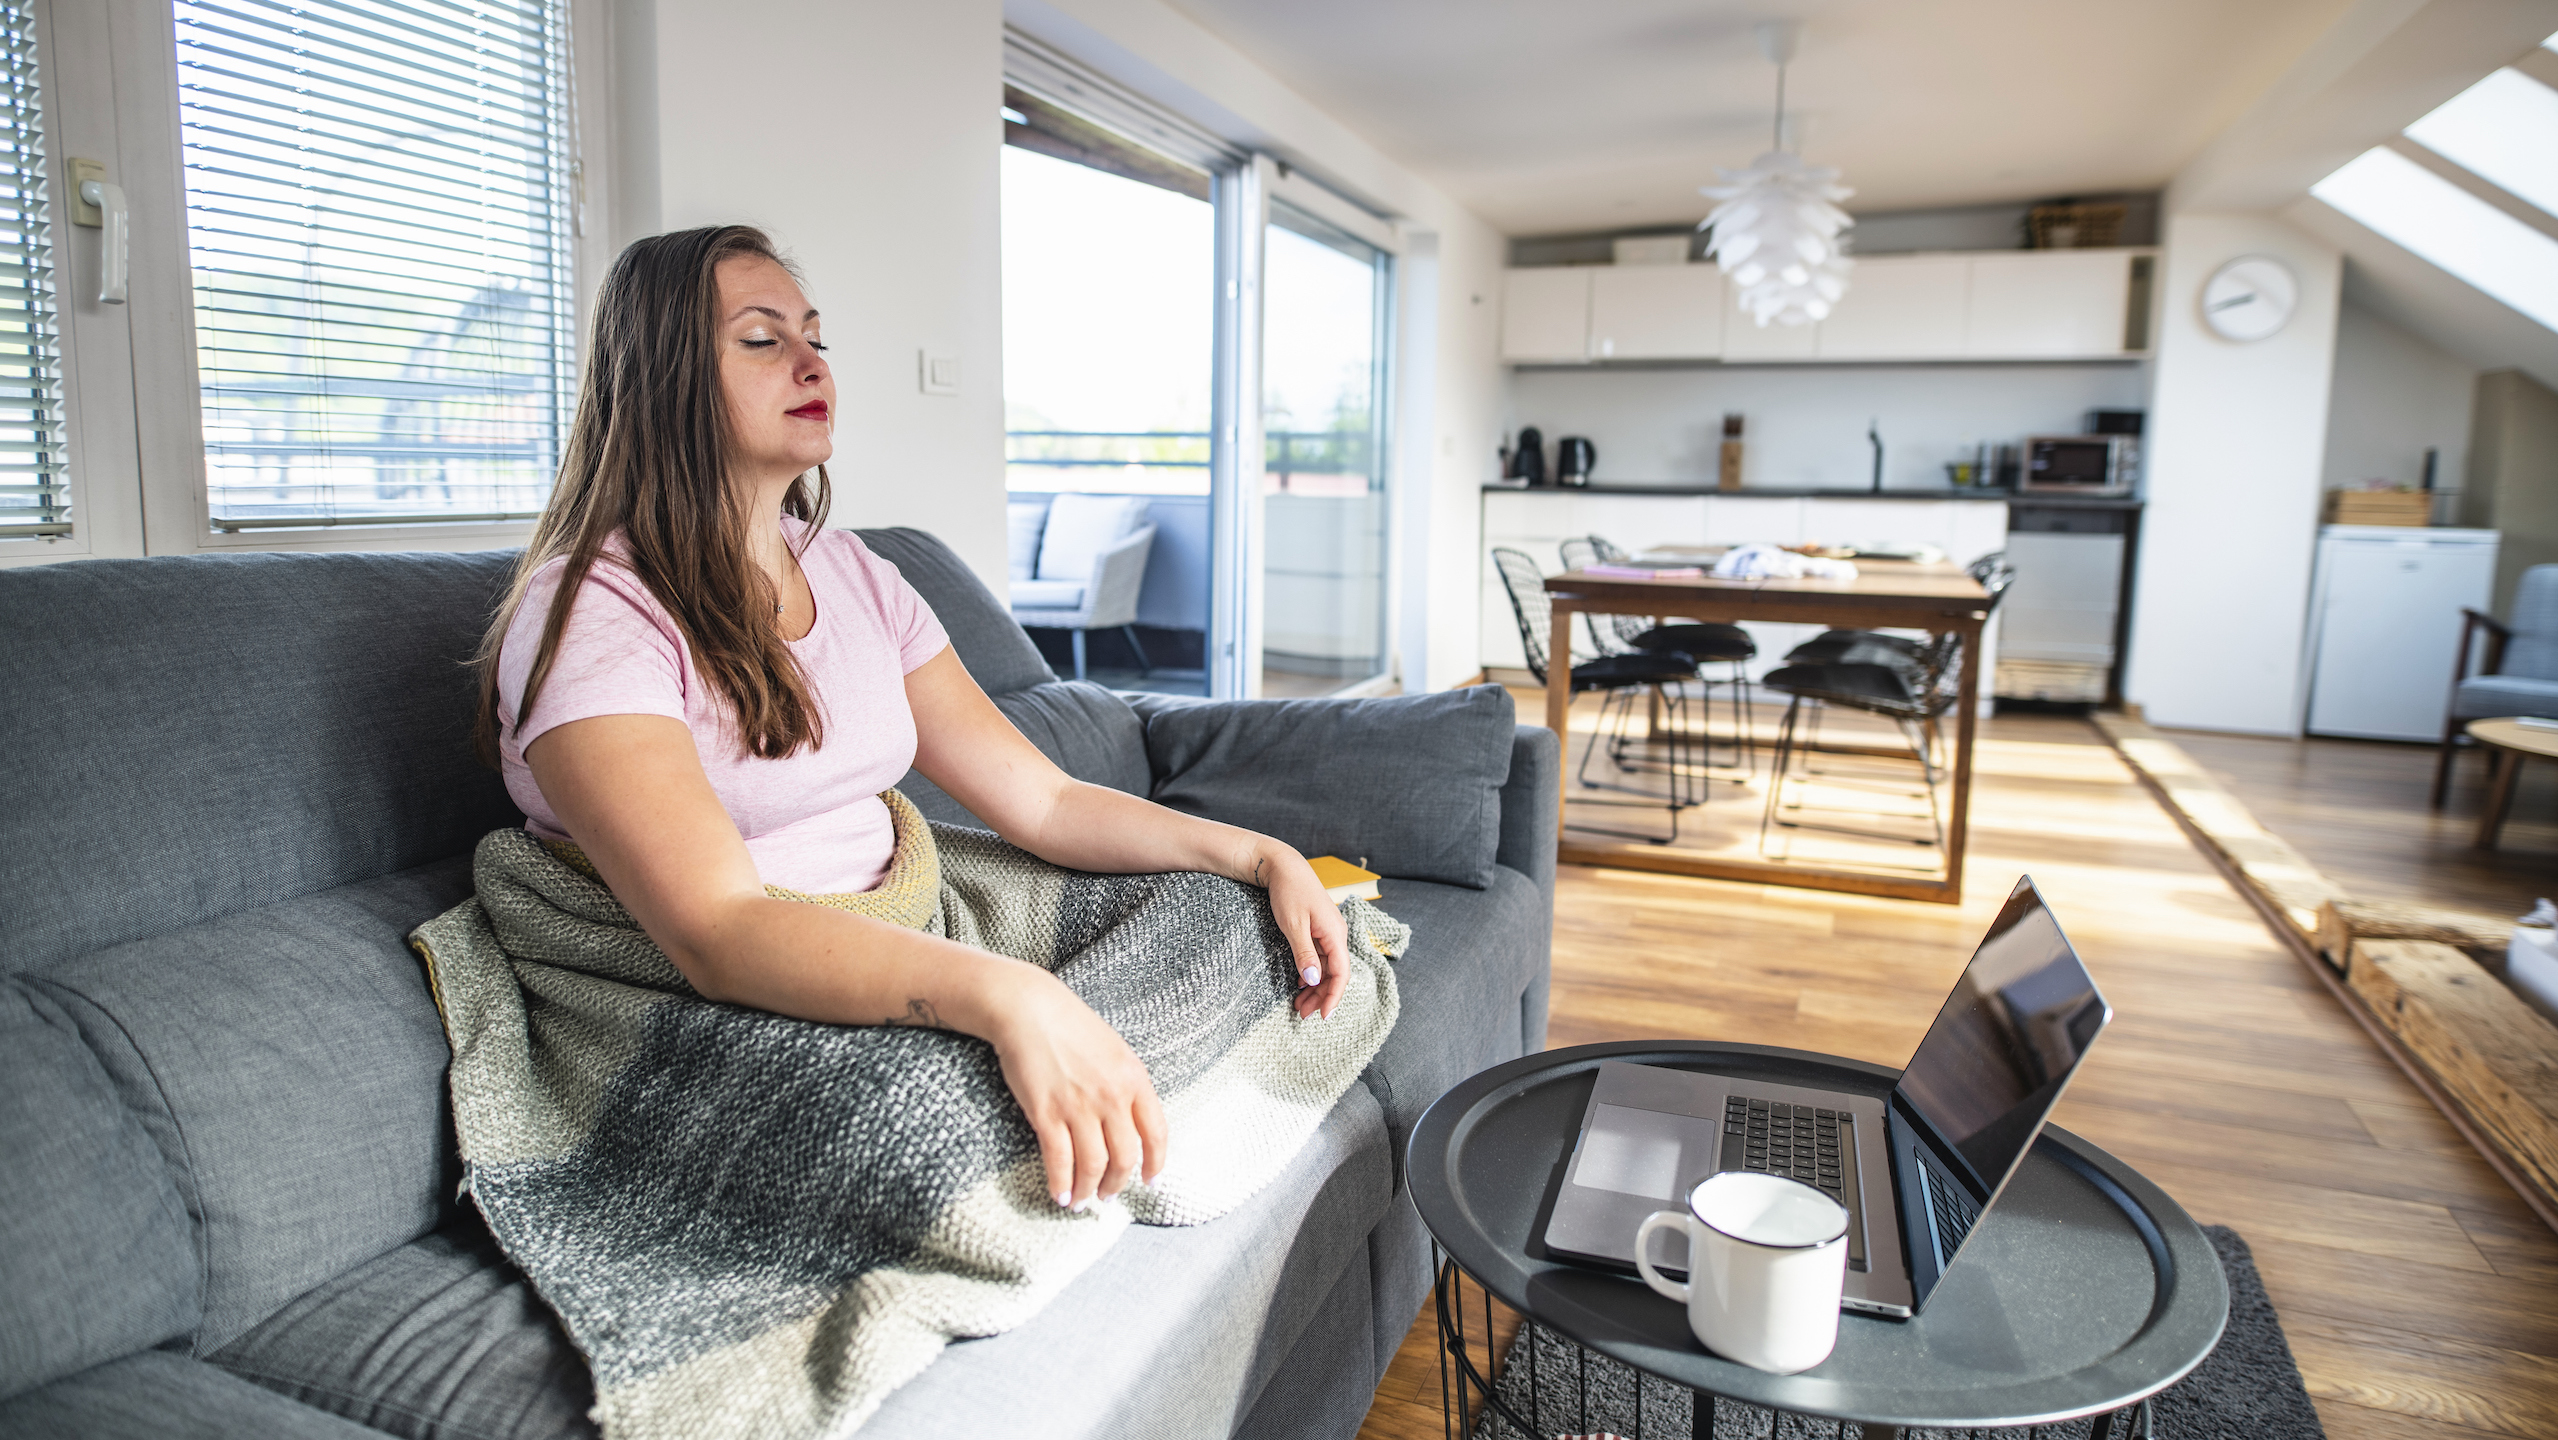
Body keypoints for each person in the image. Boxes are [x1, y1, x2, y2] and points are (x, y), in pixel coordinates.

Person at [472, 225, 1347, 1216]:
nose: (811, 363)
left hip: (909, 920)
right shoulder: (593, 608)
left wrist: (1258, 854)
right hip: (719, 984)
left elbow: (1047, 801)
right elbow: (717, 932)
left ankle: (1086, 1097)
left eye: (814, 336)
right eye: (761, 341)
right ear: (662, 377)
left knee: (1230, 917)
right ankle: (1090, 1098)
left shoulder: (857, 575)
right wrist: (1010, 996)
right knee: (924, 1124)